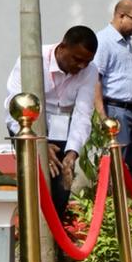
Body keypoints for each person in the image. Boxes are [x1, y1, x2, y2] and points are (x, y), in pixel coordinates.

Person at [5, 26, 98, 220]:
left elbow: (82, 114)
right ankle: (30, 240)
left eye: (86, 62)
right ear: (63, 47)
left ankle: (54, 242)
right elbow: (13, 107)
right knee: (33, 186)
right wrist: (38, 144)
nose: (81, 66)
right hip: (28, 126)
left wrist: (72, 153)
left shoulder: (90, 71)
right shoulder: (31, 60)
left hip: (62, 128)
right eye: (77, 59)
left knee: (61, 184)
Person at [93, 0, 132, 188]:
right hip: (115, 110)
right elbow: (95, 79)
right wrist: (103, 117)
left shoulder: (125, 41)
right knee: (117, 162)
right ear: (121, 16)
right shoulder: (104, 41)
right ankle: (115, 207)